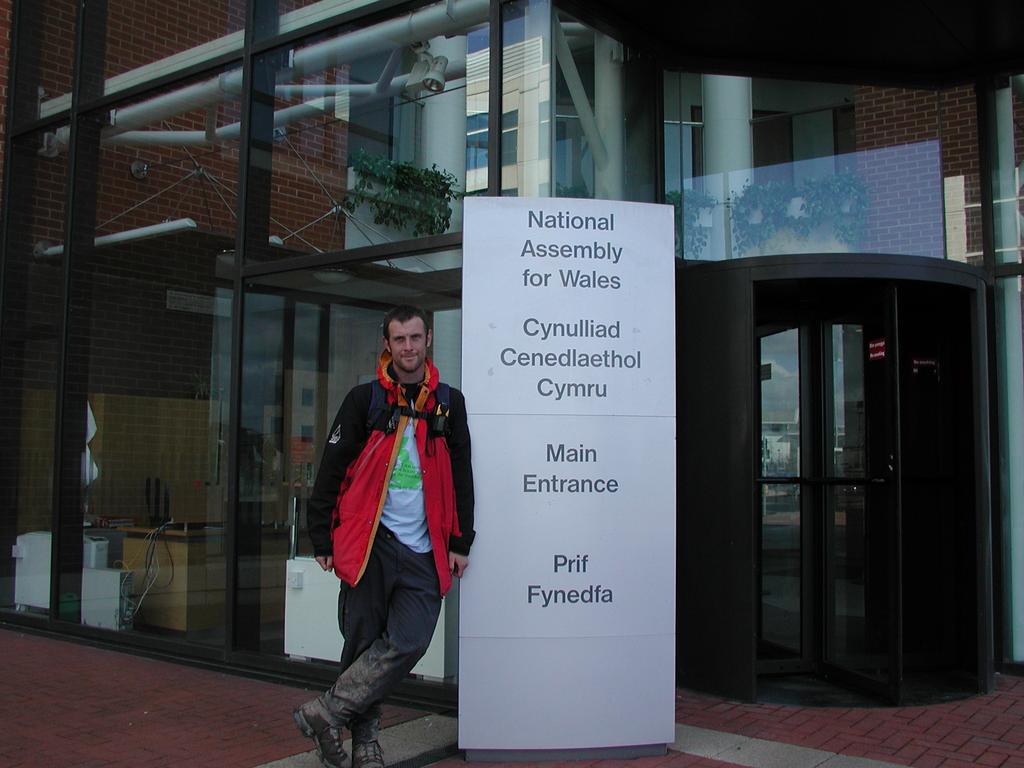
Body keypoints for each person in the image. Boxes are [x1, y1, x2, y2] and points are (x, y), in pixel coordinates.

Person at [293, 304, 475, 768]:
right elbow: (331, 469)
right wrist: (321, 537)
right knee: (362, 640)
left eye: (415, 338)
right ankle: (365, 744)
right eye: (400, 339)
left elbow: (461, 475)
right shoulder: (365, 400)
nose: (409, 348)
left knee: (410, 639)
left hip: (425, 546)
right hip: (371, 539)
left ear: (428, 339)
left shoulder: (448, 403)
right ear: (387, 344)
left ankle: (326, 710)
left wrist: (461, 540)